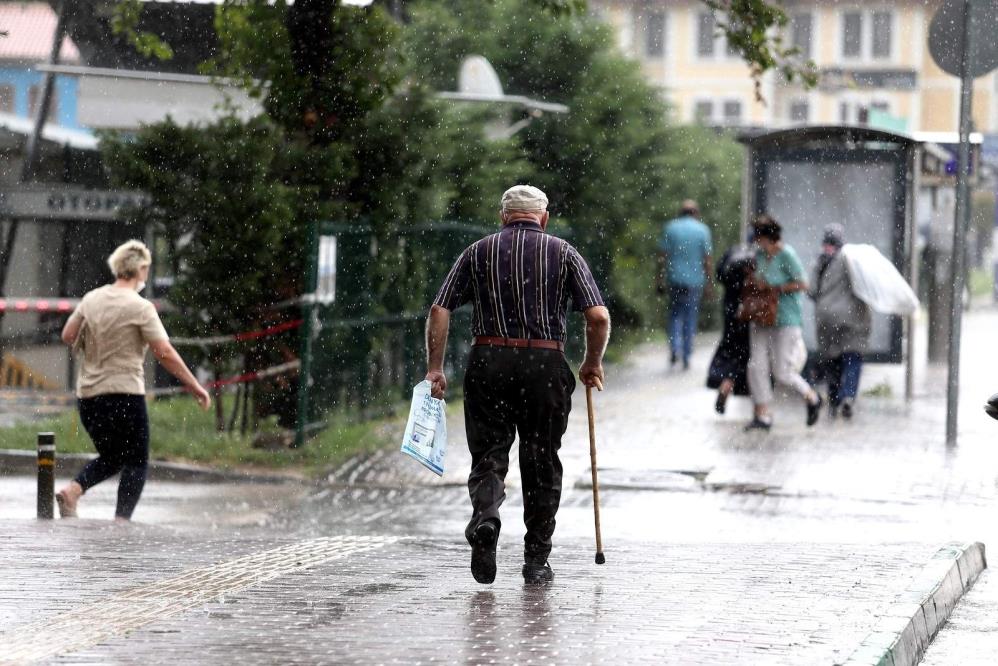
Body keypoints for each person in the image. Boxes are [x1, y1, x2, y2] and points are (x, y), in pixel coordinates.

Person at [425, 184, 610, 585]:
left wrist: (435, 368)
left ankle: (486, 517)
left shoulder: (477, 251)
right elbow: (597, 317)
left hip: (488, 361)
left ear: (503, 216)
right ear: (543, 217)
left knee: (489, 452)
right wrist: (591, 362)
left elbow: (440, 309)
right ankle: (536, 560)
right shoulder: (564, 253)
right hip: (544, 365)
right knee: (541, 459)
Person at [55, 240, 211, 521]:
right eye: (147, 269)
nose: (147, 274)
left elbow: (68, 335)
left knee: (113, 456)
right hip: (125, 393)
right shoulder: (141, 307)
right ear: (140, 268)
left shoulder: (92, 298)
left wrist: (93, 348)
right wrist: (194, 385)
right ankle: (121, 522)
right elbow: (163, 351)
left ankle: (73, 490)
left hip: (89, 396)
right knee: (137, 459)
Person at [745, 215, 822, 431]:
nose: (757, 242)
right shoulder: (759, 256)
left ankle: (811, 396)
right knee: (756, 365)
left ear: (768, 238)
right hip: (761, 316)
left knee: (782, 371)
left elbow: (803, 283)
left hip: (785, 317)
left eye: (759, 237)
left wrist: (778, 288)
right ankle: (763, 414)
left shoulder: (787, 255)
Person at [808, 224, 871, 419]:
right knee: (853, 357)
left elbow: (811, 291)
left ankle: (834, 398)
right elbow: (865, 285)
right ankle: (848, 396)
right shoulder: (850, 259)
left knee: (832, 359)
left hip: (826, 318)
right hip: (852, 317)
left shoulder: (818, 262)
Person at [657, 199, 712, 370]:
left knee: (674, 315)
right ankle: (687, 355)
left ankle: (675, 348)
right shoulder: (702, 230)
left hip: (675, 279)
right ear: (696, 213)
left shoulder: (670, 228)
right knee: (690, 317)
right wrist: (709, 284)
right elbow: (707, 259)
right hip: (694, 281)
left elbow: (662, 257)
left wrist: (659, 279)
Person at [707, 238, 754, 415]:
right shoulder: (757, 257)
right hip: (748, 311)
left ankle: (724, 383)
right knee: (745, 354)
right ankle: (732, 386)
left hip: (730, 309)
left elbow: (719, 274)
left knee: (729, 348)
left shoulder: (732, 252)